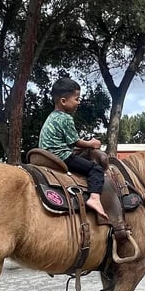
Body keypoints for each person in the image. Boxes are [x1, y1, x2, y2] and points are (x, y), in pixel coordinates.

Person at [39, 77, 108, 219]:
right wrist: (92, 144)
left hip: (47, 154)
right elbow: (76, 142)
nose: (79, 102)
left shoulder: (52, 117)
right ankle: (94, 199)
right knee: (96, 169)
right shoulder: (65, 118)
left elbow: (67, 142)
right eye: (76, 99)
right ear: (63, 101)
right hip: (61, 156)